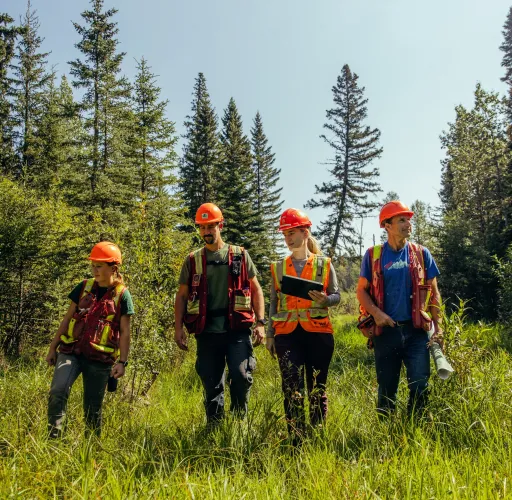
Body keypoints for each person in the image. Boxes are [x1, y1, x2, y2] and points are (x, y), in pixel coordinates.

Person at [174, 203, 265, 425]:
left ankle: (238, 422)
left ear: (220, 225)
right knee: (211, 380)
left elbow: (256, 289)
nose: (206, 232)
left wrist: (261, 323)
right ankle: (214, 427)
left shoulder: (240, 255)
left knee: (241, 375)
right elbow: (182, 296)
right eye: (202, 227)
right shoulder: (192, 260)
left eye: (211, 226)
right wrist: (178, 328)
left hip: (237, 330)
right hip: (206, 332)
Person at [356, 200, 443, 418]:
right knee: (386, 388)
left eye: (409, 219)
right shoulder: (373, 255)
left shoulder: (422, 254)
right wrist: (377, 314)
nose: (408, 224)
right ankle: (386, 435)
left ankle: (416, 427)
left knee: (420, 384)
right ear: (387, 225)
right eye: (401, 220)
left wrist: (438, 328)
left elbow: (434, 293)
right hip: (386, 332)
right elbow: (361, 292)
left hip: (417, 332)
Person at [46, 241, 134, 437]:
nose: (94, 269)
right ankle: (53, 440)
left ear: (113, 268)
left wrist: (122, 362)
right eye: (93, 265)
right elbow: (67, 318)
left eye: (99, 266)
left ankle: (92, 449)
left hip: (100, 359)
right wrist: (53, 348)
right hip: (70, 351)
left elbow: (125, 333)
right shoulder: (84, 287)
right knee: (58, 391)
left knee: (92, 409)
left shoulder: (122, 295)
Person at [266, 208, 340, 442]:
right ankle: (296, 439)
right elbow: (273, 304)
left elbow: (337, 295)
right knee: (291, 388)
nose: (288, 239)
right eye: (285, 234)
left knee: (317, 387)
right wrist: (269, 335)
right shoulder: (278, 267)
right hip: (286, 335)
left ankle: (318, 436)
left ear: (305, 232)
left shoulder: (324, 264)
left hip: (318, 335)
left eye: (292, 233)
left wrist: (326, 299)